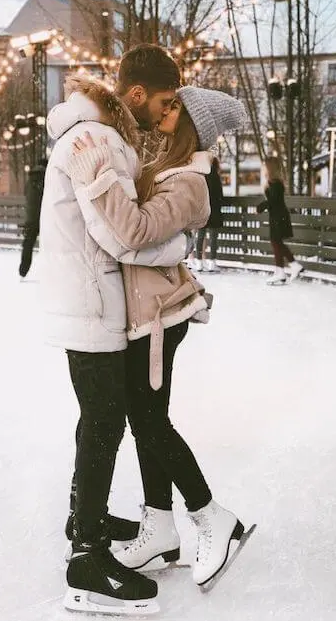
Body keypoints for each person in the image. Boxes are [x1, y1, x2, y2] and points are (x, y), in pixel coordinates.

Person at [66, 85, 250, 590]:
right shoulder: (162, 165)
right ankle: (161, 526)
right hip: (145, 315)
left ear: (193, 122)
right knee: (146, 419)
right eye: (166, 103)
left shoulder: (190, 181)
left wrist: (97, 180)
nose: (163, 111)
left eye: (175, 108)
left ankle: (211, 516)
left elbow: (137, 230)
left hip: (161, 319)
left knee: (148, 420)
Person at [39, 45, 188, 615]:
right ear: (134, 95)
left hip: (89, 298)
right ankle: (86, 560)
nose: (163, 112)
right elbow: (122, 235)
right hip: (91, 300)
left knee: (99, 417)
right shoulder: (96, 140)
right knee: (105, 421)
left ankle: (88, 517)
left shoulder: (97, 133)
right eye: (163, 101)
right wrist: (181, 247)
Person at [257, 157, 303, 284]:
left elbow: (273, 201)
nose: (263, 169)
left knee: (276, 243)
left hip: (279, 217)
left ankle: (284, 270)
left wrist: (260, 207)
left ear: (270, 168)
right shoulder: (273, 182)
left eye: (264, 166)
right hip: (277, 217)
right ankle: (284, 270)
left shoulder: (276, 183)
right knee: (276, 243)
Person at [193, 156, 225, 273]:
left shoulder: (201, 176)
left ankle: (199, 263)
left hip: (203, 210)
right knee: (213, 238)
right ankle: (212, 262)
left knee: (200, 237)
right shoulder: (215, 177)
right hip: (214, 211)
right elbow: (220, 196)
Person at [19, 157, 47, 278]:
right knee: (49, 244)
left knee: (28, 244)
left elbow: (26, 195)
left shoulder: (30, 179)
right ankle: (48, 271)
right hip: (44, 218)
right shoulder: (47, 178)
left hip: (31, 218)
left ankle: (23, 270)